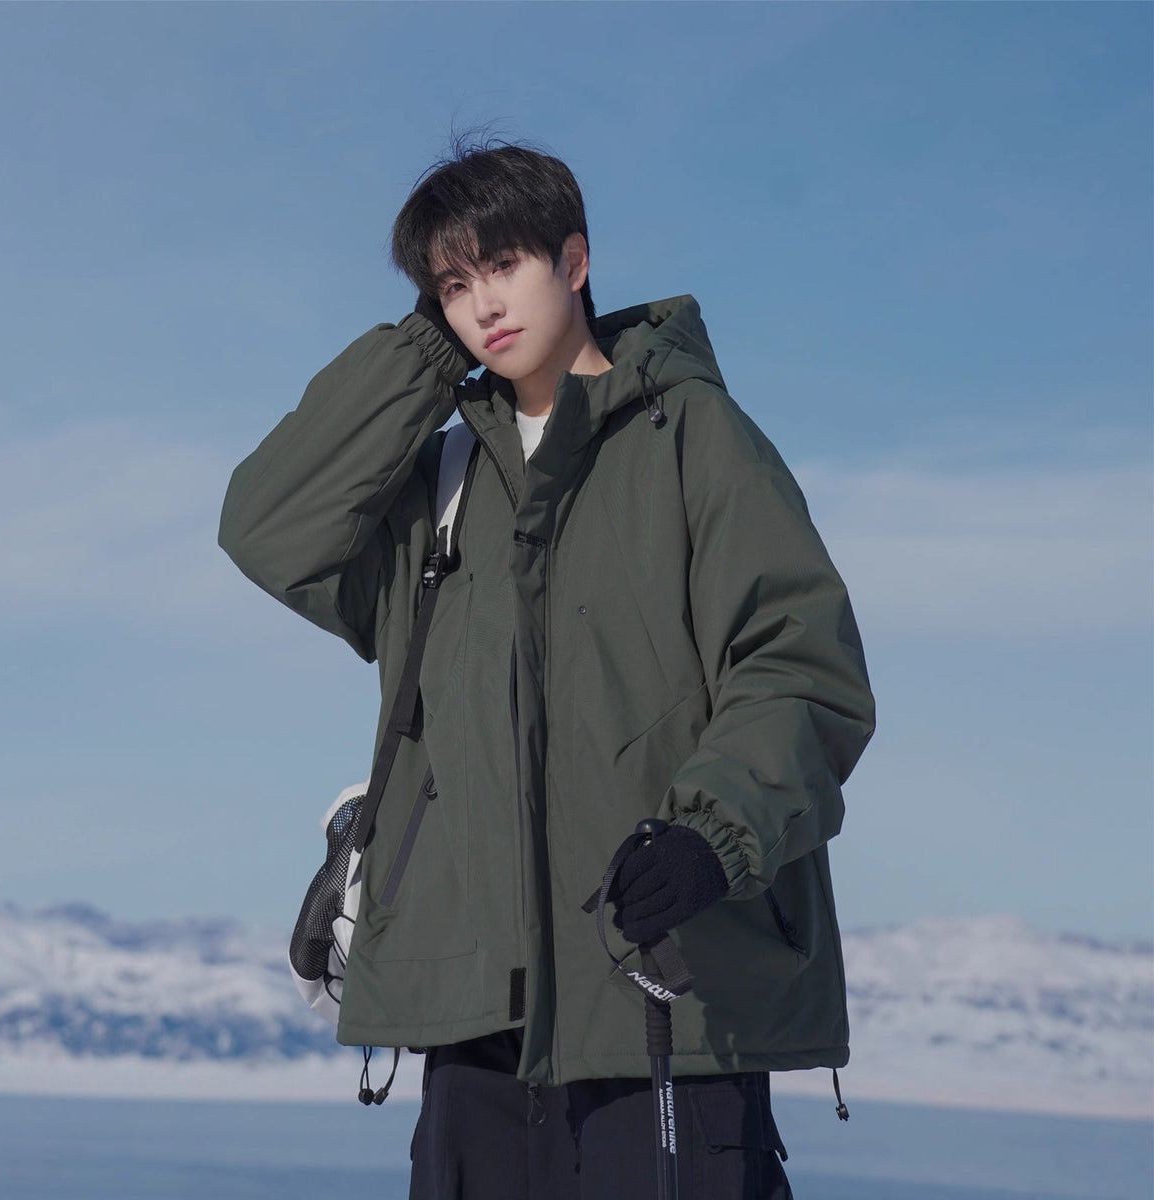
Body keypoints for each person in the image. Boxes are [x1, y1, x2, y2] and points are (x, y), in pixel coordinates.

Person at [218, 132, 876, 1200]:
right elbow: (268, 528)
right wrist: (424, 358)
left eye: (503, 265)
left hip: (665, 999)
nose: (484, 305)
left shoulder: (694, 438)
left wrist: (709, 839)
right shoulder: (442, 482)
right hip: (474, 1026)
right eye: (453, 286)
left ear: (575, 259)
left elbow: (798, 666)